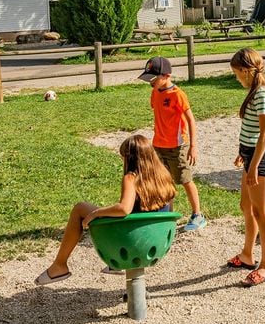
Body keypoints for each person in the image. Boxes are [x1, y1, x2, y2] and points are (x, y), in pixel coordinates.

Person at [35, 133, 176, 284]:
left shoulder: (131, 178)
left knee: (80, 208)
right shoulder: (164, 176)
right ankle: (115, 267)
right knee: (126, 213)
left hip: (131, 240)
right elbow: (168, 210)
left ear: (130, 158)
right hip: (157, 241)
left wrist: (96, 213)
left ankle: (59, 265)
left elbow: (124, 209)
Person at [137, 56, 207, 232]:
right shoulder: (155, 92)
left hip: (177, 146)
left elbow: (190, 120)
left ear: (166, 75)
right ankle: (168, 215)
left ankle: (198, 214)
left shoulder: (178, 95)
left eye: (153, 79)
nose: (150, 82)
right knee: (164, 181)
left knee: (184, 179)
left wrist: (193, 146)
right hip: (159, 145)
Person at [226, 47, 265, 287]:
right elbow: (251, 129)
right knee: (246, 206)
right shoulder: (254, 91)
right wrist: (242, 155)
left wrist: (254, 165)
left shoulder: (262, 94)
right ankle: (247, 255)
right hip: (250, 155)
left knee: (260, 211)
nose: (236, 78)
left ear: (246, 71)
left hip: (261, 158)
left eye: (237, 73)